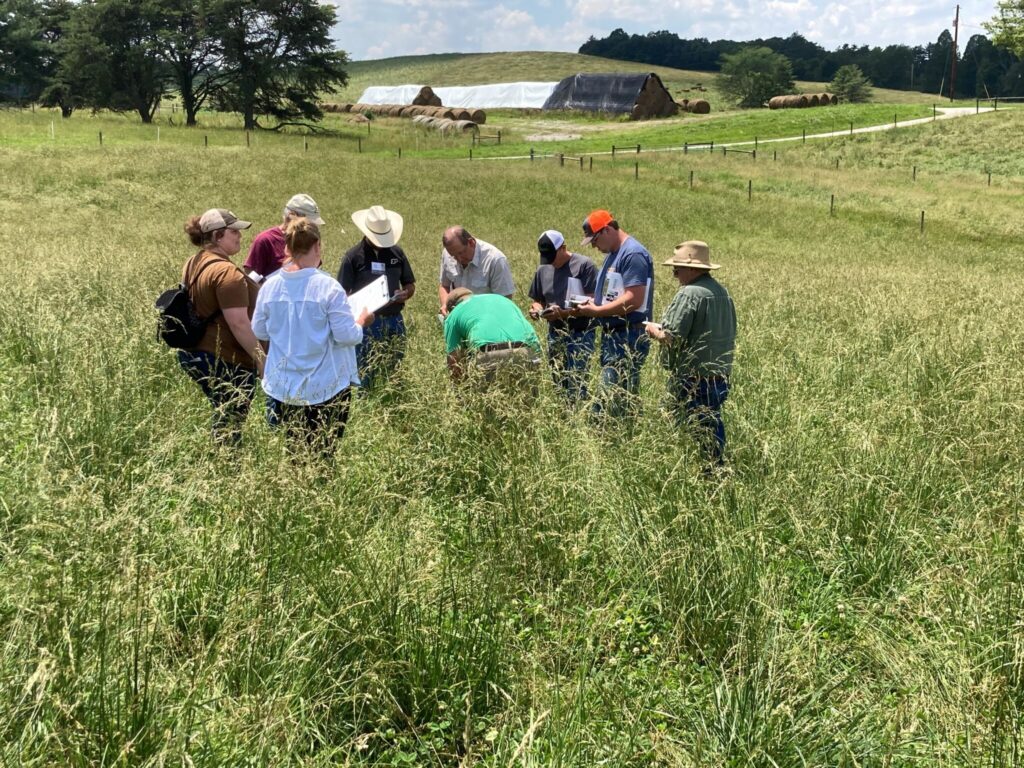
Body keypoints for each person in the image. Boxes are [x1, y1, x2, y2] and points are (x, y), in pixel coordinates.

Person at [252, 218, 374, 452]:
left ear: (287, 248)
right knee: (324, 451)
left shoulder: (270, 287)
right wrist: (360, 320)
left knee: (293, 450)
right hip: (325, 384)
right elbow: (346, 336)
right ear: (317, 245)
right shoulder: (328, 287)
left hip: (284, 385)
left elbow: (259, 331)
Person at [645, 241, 737, 467]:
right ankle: (714, 469)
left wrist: (652, 330)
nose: (675, 275)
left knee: (677, 427)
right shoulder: (722, 292)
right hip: (719, 375)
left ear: (693, 268)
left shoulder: (689, 294)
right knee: (710, 425)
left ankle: (698, 471)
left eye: (677, 269)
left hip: (692, 378)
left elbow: (671, 337)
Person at [177, 208, 263, 444]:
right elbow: (239, 323)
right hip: (225, 357)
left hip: (197, 352)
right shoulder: (227, 273)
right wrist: (261, 360)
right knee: (231, 420)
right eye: (233, 231)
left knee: (224, 414)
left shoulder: (193, 262)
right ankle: (228, 465)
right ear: (216, 236)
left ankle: (221, 459)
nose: (239, 236)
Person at [571, 209, 654, 418]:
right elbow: (614, 294)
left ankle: (604, 437)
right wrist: (592, 302)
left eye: (594, 240)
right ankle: (628, 437)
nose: (593, 246)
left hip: (628, 335)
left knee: (606, 402)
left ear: (606, 230)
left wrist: (597, 311)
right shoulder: (613, 255)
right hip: (615, 335)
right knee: (623, 398)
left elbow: (633, 299)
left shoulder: (633, 254)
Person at [338, 205, 415, 389]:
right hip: (367, 323)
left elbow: (410, 284)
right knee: (366, 369)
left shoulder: (397, 253)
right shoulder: (352, 257)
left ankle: (392, 395)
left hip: (395, 319)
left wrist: (406, 294)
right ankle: (366, 399)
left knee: (395, 365)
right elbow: (342, 294)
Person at [527, 229, 597, 406]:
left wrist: (564, 313)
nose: (550, 262)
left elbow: (593, 302)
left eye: (553, 257)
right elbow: (538, 300)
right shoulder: (543, 269)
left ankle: (577, 416)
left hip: (581, 333)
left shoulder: (584, 266)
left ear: (563, 248)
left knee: (577, 383)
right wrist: (537, 309)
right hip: (555, 333)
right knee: (558, 381)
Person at [444, 288, 541, 386]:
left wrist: (460, 391)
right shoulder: (503, 300)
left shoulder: (454, 314)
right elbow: (530, 332)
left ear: (452, 307)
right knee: (525, 400)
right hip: (524, 351)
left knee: (491, 400)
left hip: (489, 355)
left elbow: (454, 362)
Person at [243, 193, 326, 282]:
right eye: (309, 222)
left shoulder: (310, 240)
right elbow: (250, 276)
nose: (312, 227)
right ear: (291, 215)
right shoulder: (265, 240)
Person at [438, 226, 515, 316]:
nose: (459, 259)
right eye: (453, 256)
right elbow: (444, 286)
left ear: (471, 242)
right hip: (458, 317)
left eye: (461, 253)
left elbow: (504, 300)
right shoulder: (448, 253)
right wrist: (445, 305)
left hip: (486, 317)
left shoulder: (495, 260)